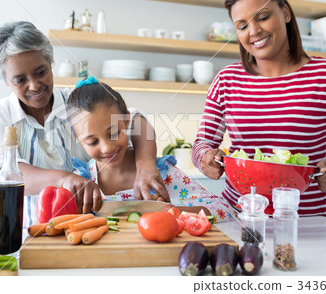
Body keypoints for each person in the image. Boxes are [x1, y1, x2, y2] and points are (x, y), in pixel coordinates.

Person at [192, 0, 326, 217]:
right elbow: (202, 144)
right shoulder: (226, 79)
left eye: (263, 17)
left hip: (306, 222)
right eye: (242, 26)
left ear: (285, 12)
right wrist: (206, 158)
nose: (254, 31)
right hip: (239, 219)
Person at [0, 21, 169, 216]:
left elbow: (135, 119)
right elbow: (4, 174)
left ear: (51, 65)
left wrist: (146, 163)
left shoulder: (76, 104)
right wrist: (64, 179)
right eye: (20, 80)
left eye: (40, 72)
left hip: (79, 233)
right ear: (5, 80)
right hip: (18, 236)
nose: (34, 85)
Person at [66, 76, 236, 222]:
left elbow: (224, 210)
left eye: (114, 133)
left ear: (127, 121)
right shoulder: (82, 183)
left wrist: (168, 212)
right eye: (93, 141)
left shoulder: (161, 175)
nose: (107, 147)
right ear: (78, 139)